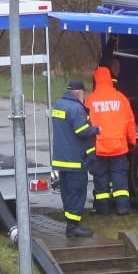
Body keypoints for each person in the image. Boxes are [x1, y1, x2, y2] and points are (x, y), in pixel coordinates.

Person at [85, 65, 137, 215]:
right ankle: (123, 207)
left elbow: (85, 125)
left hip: (99, 147)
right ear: (110, 80)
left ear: (96, 80)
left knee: (101, 178)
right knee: (119, 176)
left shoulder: (89, 101)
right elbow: (130, 122)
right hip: (118, 146)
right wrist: (132, 141)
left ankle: (103, 208)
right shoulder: (121, 99)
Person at [50, 79, 96, 238]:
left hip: (61, 159)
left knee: (67, 191)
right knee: (77, 191)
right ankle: (73, 226)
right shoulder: (76, 108)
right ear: (78, 92)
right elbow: (82, 131)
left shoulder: (58, 105)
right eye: (83, 93)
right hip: (75, 159)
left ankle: (70, 223)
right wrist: (96, 129)